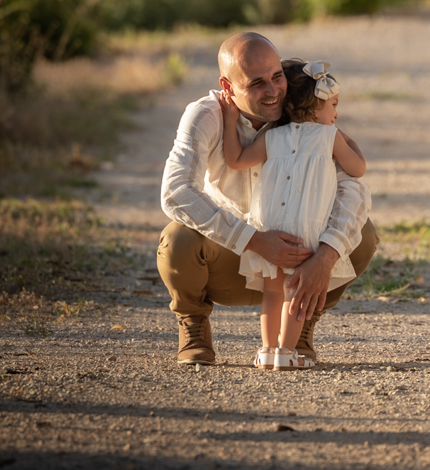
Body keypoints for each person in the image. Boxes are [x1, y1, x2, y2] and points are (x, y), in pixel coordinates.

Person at [158, 32, 377, 367]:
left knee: (361, 236)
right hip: (232, 258)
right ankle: (194, 327)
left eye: (277, 76)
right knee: (177, 239)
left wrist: (326, 256)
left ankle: (300, 329)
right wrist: (254, 240)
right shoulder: (206, 116)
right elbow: (175, 191)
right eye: (256, 83)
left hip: (298, 259)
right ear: (228, 86)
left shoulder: (302, 110)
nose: (273, 90)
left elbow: (355, 188)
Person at [220, 59, 366, 371]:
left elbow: (235, 160)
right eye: (334, 106)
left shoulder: (272, 136)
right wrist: (345, 137)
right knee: (295, 295)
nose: (336, 114)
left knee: (272, 292)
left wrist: (229, 119)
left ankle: (267, 351)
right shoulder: (330, 137)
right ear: (316, 107)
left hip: (270, 227)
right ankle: (287, 353)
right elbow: (358, 168)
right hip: (305, 229)